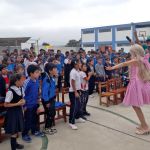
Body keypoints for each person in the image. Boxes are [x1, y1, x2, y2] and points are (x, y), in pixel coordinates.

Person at [106, 44, 150, 135]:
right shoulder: (140, 60)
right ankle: (143, 124)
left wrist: (112, 68)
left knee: (136, 106)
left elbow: (124, 63)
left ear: (135, 53)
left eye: (131, 53)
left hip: (136, 84)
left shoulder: (136, 60)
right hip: (138, 83)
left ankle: (145, 126)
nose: (130, 55)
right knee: (135, 106)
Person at [22, 65, 44, 142]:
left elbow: (38, 93)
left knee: (35, 118)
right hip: (28, 105)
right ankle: (25, 134)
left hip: (35, 104)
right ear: (31, 73)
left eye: (39, 72)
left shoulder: (37, 81)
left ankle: (34, 131)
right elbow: (22, 95)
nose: (39, 74)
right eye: (37, 72)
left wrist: (38, 102)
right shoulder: (26, 82)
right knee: (28, 120)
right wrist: (24, 105)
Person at [4, 74, 25, 150]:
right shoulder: (10, 91)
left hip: (19, 111)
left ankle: (15, 144)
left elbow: (21, 98)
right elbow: (5, 105)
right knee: (13, 132)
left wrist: (23, 101)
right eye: (22, 80)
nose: (23, 81)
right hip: (12, 113)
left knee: (17, 130)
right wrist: (17, 104)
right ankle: (13, 148)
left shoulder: (21, 88)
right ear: (16, 81)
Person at [69, 60, 86, 130]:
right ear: (75, 65)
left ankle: (77, 117)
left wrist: (79, 91)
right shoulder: (73, 72)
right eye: (79, 63)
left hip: (77, 90)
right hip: (73, 92)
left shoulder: (77, 71)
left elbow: (78, 82)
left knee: (78, 105)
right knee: (74, 107)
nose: (80, 64)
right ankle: (71, 122)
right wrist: (76, 92)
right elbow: (72, 82)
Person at [41, 63, 58, 134]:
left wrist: (54, 97)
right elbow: (44, 92)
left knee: (53, 113)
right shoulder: (46, 79)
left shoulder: (51, 78)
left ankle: (50, 126)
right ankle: (46, 128)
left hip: (51, 98)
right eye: (55, 69)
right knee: (49, 113)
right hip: (47, 100)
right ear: (50, 71)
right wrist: (47, 102)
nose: (56, 70)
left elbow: (53, 89)